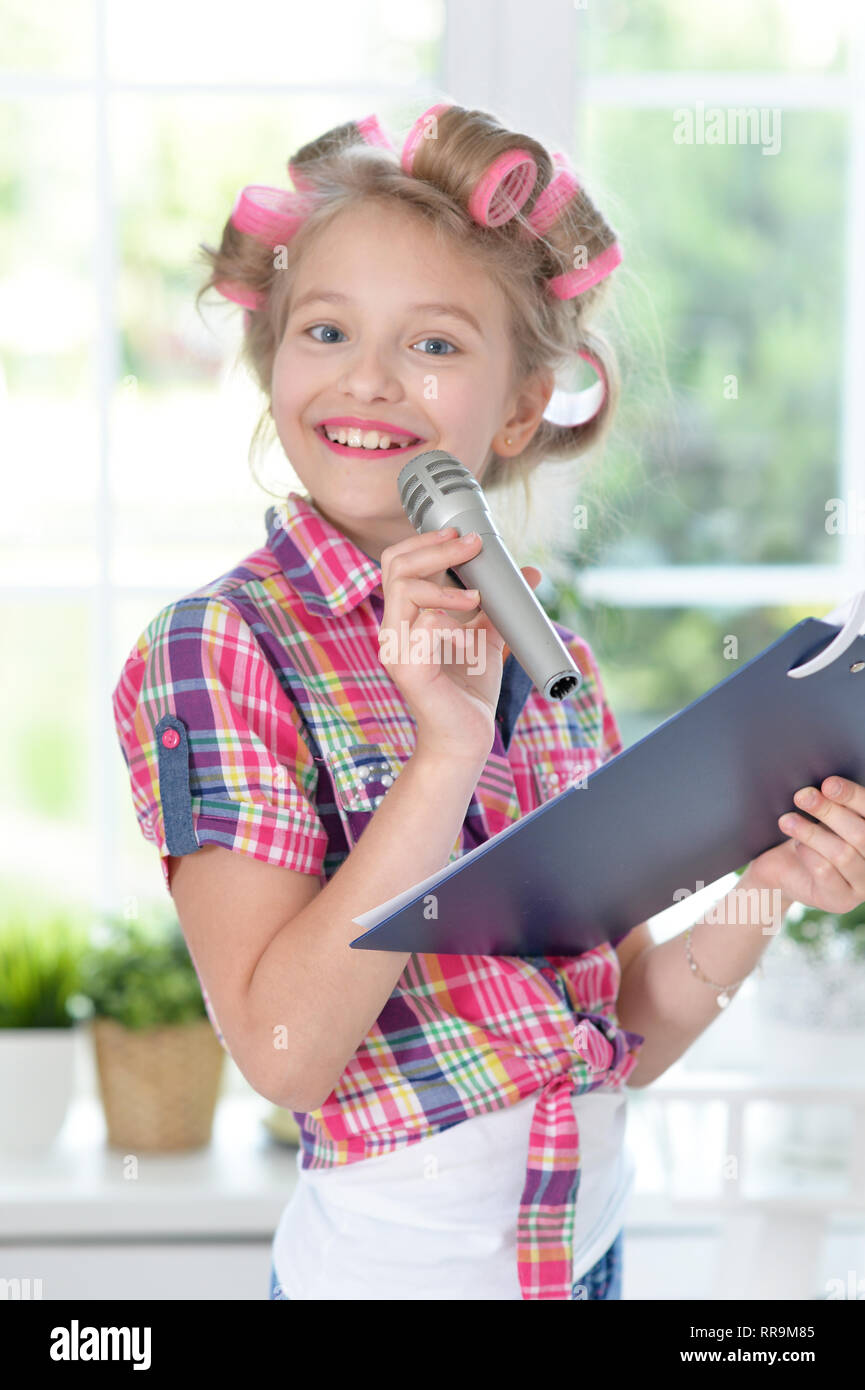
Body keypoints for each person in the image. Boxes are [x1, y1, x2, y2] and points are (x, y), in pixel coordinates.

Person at [111, 104, 790, 1302]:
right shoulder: (220, 649)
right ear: (276, 365)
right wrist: (445, 753)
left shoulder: (549, 650)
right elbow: (286, 1055)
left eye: (432, 346)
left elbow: (618, 1030)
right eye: (325, 330)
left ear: (522, 407)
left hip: (581, 1259)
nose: (367, 377)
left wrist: (772, 887)